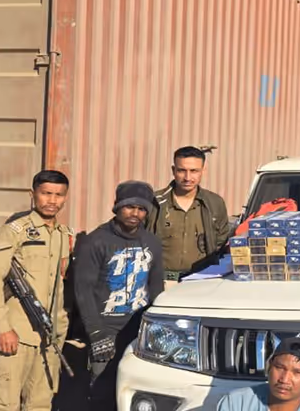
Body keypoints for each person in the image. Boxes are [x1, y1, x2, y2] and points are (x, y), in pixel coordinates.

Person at [0, 169, 73, 411]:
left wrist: (60, 330)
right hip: (17, 332)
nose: (52, 200)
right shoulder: (15, 230)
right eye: (46, 193)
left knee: (40, 404)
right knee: (3, 403)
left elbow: (59, 286)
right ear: (32, 194)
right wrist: (2, 327)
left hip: (49, 335)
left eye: (59, 195)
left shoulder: (64, 235)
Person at [74, 180, 165, 409]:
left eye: (142, 208)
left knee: (138, 393)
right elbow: (83, 291)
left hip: (139, 330)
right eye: (129, 207)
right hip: (107, 329)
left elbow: (156, 288)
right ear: (117, 207)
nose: (135, 213)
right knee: (102, 391)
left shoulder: (152, 242)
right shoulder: (96, 241)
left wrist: (157, 329)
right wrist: (96, 334)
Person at [147, 145, 232, 281]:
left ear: (203, 171)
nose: (187, 177)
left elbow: (220, 242)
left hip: (201, 281)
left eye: (194, 171)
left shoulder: (215, 203)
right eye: (182, 171)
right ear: (173, 170)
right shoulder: (154, 203)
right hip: (160, 281)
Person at [215, 337, 300, 411]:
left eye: (297, 372)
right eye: (279, 368)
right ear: (269, 366)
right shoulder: (236, 403)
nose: (284, 379)